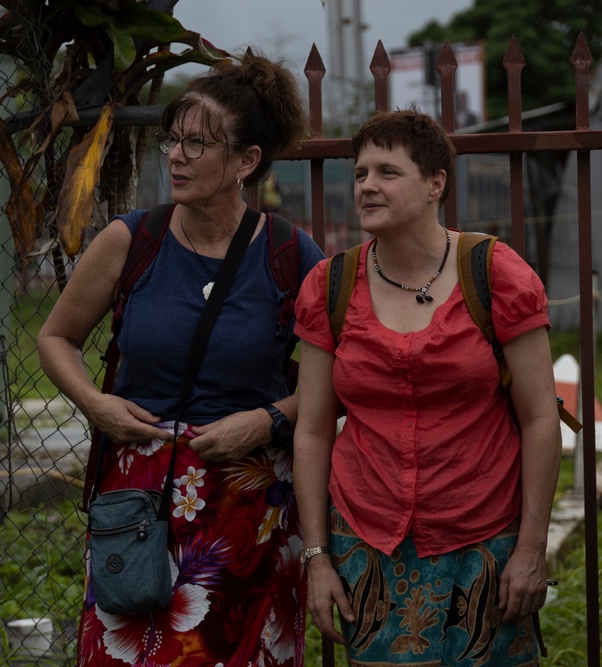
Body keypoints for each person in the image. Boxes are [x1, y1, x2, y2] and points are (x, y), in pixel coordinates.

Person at [38, 49, 324, 666]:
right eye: (174, 139)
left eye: (199, 143)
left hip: (252, 512)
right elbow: (54, 338)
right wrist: (96, 404)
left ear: (247, 161)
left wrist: (270, 419)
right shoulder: (130, 241)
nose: (176, 155)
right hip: (140, 509)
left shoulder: (288, 254)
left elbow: (348, 373)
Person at [293, 109, 561, 665]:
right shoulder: (329, 285)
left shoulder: (496, 274)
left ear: (436, 182)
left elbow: (540, 418)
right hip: (366, 542)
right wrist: (318, 557)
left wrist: (531, 548)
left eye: (387, 172)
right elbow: (314, 430)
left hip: (484, 540)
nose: (367, 185)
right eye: (361, 172)